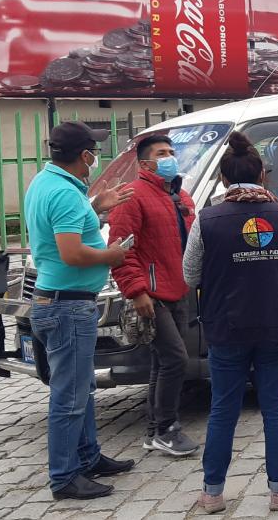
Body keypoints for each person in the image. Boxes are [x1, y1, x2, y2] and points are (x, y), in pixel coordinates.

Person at [183, 132, 278, 514]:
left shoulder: (206, 220)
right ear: (263, 175)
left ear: (223, 180)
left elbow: (190, 274)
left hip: (227, 327)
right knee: (276, 408)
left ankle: (212, 493)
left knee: (223, 409)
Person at [23, 121, 136, 500]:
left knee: (82, 388)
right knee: (70, 396)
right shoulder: (64, 193)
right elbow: (71, 252)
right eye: (94, 152)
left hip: (59, 301)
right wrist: (113, 255)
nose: (95, 159)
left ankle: (88, 457)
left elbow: (62, 236)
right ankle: (64, 477)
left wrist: (95, 207)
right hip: (68, 306)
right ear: (85, 155)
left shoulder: (45, 183)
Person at [108, 134, 199, 457]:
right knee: (175, 358)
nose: (170, 157)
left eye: (172, 152)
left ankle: (153, 431)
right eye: (162, 153)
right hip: (152, 295)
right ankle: (166, 428)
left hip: (179, 289)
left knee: (162, 362)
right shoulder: (132, 197)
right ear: (145, 163)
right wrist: (135, 291)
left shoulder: (180, 196)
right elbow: (120, 250)